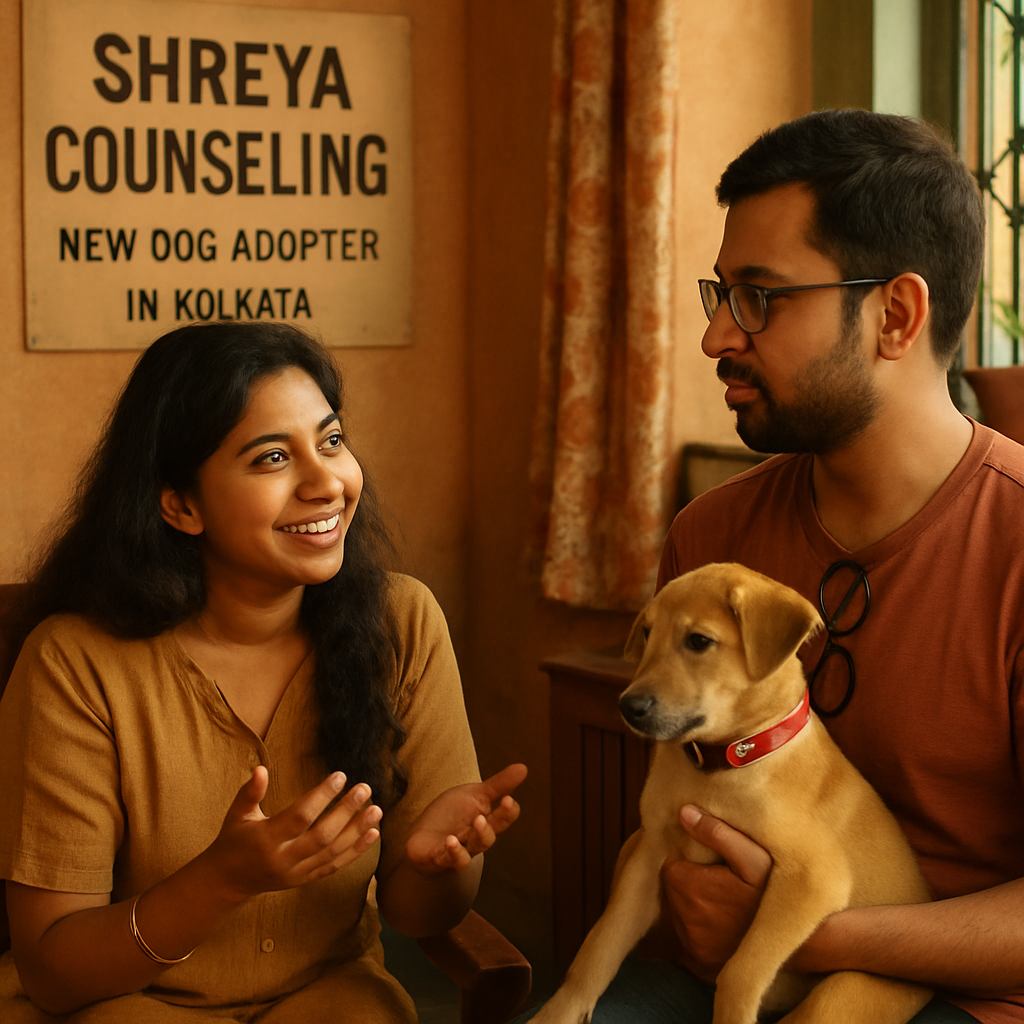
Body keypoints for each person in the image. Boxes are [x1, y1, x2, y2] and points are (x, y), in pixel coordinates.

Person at [523, 110, 1024, 1023]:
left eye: (760, 296)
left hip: (964, 998)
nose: (717, 336)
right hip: (709, 980)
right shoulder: (713, 533)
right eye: (720, 294)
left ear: (895, 315)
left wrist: (815, 933)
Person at [0, 321, 527, 1022]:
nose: (327, 483)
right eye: (273, 457)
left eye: (331, 441)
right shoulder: (75, 662)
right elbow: (54, 971)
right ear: (180, 505)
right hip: (126, 1005)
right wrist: (222, 880)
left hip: (327, 999)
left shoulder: (403, 622)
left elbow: (419, 914)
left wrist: (443, 863)